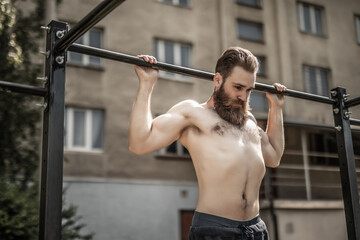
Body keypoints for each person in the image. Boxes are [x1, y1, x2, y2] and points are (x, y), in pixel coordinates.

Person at [128, 46, 286, 240]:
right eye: (238, 87)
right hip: (215, 230)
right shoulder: (193, 113)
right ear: (218, 80)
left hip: (256, 229)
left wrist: (276, 108)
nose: (243, 97)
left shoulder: (249, 121)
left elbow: (274, 157)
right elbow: (139, 143)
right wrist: (147, 84)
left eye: (249, 90)